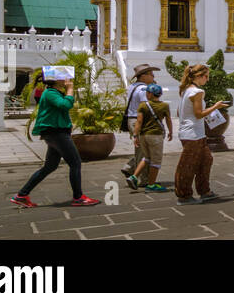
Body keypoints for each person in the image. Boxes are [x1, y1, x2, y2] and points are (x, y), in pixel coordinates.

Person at [11, 75, 101, 207]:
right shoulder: (50, 93)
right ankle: (78, 197)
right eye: (63, 78)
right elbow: (65, 105)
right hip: (57, 133)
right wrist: (70, 89)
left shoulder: (54, 92)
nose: (67, 79)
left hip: (55, 132)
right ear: (56, 80)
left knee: (50, 166)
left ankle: (22, 195)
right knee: (75, 163)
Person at [174, 63, 228, 203]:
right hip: (192, 134)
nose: (207, 80)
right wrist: (216, 107)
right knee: (188, 165)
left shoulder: (186, 90)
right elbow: (198, 114)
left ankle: (205, 191)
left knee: (206, 160)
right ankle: (184, 195)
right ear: (200, 76)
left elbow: (180, 112)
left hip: (195, 133)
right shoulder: (197, 92)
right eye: (206, 76)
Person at [128, 83, 173, 192]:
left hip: (144, 135)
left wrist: (135, 135)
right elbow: (168, 120)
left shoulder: (143, 105)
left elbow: (139, 121)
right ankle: (151, 184)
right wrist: (171, 131)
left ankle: (133, 177)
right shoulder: (164, 106)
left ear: (150, 94)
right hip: (156, 136)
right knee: (156, 161)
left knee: (146, 158)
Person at [120, 63, 160, 183]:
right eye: (151, 74)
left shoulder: (133, 86)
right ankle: (142, 178)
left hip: (131, 118)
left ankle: (130, 167)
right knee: (144, 151)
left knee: (142, 148)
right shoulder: (143, 89)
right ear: (143, 76)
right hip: (139, 120)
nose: (153, 77)